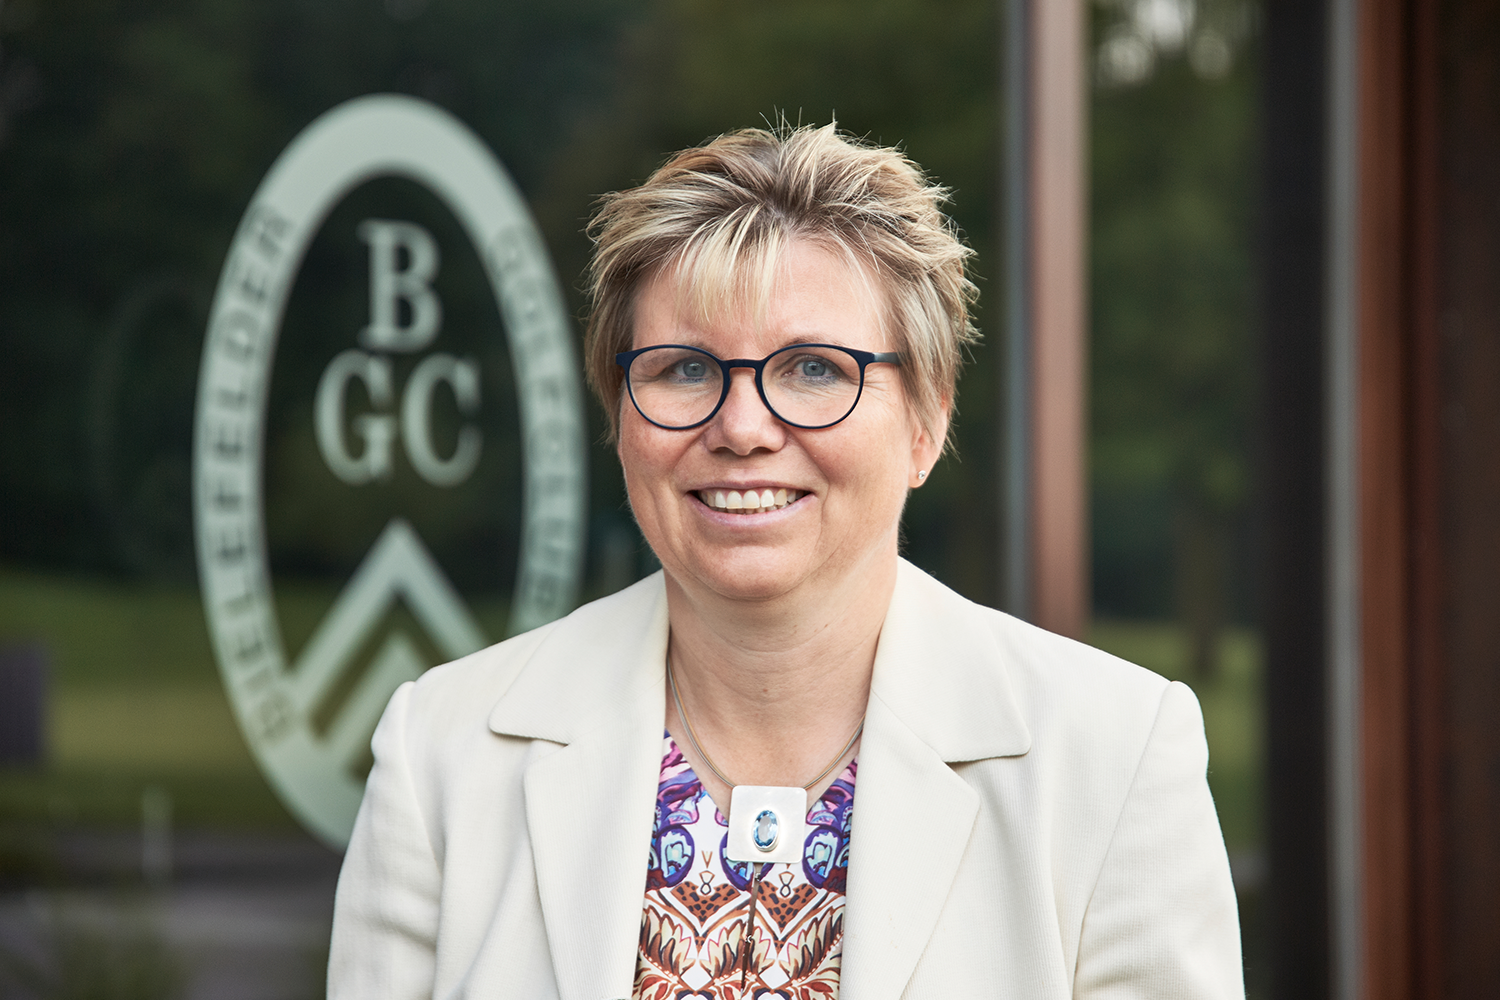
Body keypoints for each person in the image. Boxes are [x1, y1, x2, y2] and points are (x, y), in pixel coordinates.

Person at [328, 123, 1244, 1000]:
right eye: (685, 369)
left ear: (926, 423)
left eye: (813, 368)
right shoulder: (442, 753)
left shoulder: (1113, 760)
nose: (742, 428)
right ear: (620, 415)